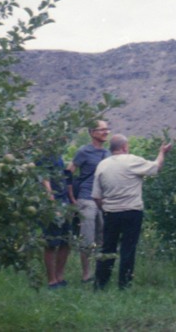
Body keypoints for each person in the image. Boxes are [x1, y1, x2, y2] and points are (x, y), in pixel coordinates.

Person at [92, 134, 173, 290]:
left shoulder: (102, 165)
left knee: (107, 248)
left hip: (110, 213)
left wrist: (106, 208)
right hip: (132, 211)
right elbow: (156, 167)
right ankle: (124, 285)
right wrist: (162, 153)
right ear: (124, 147)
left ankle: (100, 284)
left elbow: (96, 196)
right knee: (128, 248)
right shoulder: (132, 160)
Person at [67, 120, 111, 283]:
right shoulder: (83, 151)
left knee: (103, 239)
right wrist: (71, 197)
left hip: (104, 201)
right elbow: (69, 172)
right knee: (87, 239)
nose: (106, 132)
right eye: (102, 129)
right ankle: (86, 274)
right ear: (92, 132)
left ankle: (100, 273)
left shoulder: (108, 153)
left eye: (107, 129)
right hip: (86, 199)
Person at [37, 155, 72, 290]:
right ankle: (52, 280)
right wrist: (51, 200)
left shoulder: (58, 156)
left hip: (64, 201)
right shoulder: (45, 155)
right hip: (53, 203)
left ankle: (60, 276)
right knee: (51, 241)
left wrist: (69, 200)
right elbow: (44, 178)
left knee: (66, 240)